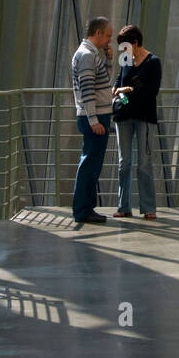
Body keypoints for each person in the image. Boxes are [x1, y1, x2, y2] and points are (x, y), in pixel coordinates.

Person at [112, 24, 162, 220]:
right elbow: (119, 79)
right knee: (124, 163)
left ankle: (148, 207)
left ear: (135, 43)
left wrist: (129, 90)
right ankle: (123, 206)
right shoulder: (125, 60)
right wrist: (117, 90)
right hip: (123, 114)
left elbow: (152, 91)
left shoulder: (153, 62)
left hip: (144, 117)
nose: (122, 50)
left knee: (144, 163)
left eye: (124, 46)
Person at [71, 16, 114, 225]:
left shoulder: (90, 55)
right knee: (90, 164)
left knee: (91, 163)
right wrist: (93, 120)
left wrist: (109, 61)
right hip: (95, 117)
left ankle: (86, 207)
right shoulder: (87, 56)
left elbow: (103, 82)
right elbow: (87, 89)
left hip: (96, 115)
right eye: (108, 36)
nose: (109, 40)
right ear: (98, 33)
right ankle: (83, 210)